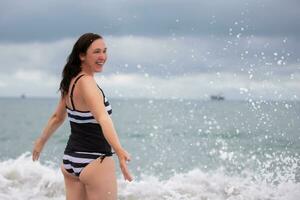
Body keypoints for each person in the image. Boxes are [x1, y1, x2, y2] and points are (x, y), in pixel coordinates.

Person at [32, 33, 133, 200]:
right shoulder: (87, 83)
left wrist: (41, 141)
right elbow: (103, 118)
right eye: (96, 52)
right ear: (82, 55)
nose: (103, 57)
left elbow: (58, 117)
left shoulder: (70, 81)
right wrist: (119, 151)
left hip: (71, 159)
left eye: (105, 51)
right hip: (94, 159)